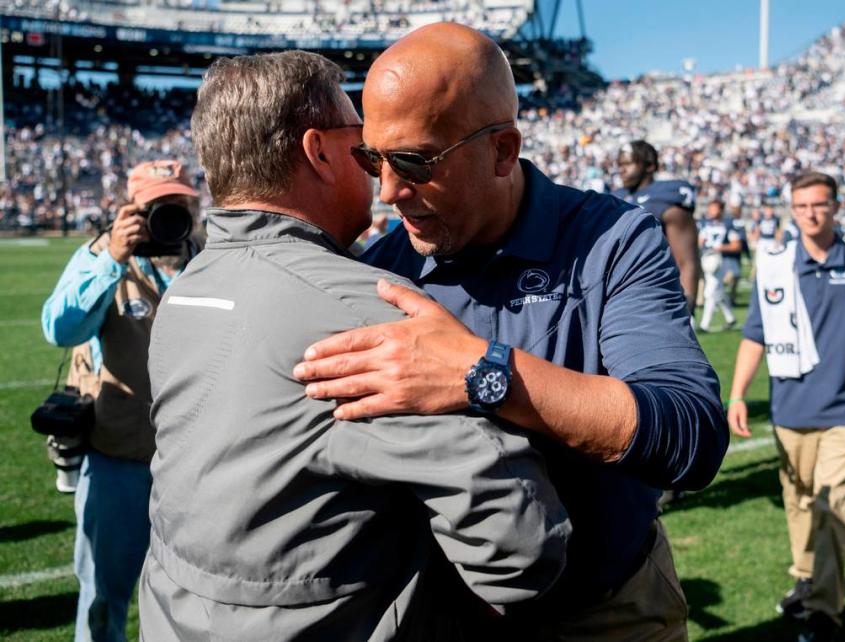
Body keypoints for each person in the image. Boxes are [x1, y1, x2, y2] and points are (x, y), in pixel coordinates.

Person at [293, 23, 728, 640]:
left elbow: (690, 433)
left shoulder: (611, 241)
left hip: (604, 609)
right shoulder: (382, 270)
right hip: (439, 615)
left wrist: (480, 372)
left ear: (502, 149)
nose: (389, 191)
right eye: (372, 159)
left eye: (415, 161)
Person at [139, 50, 570, 641]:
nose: (383, 174)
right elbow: (519, 539)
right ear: (319, 151)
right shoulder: (362, 306)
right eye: (365, 146)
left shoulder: (186, 288)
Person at [727, 171, 845, 642]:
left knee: (833, 509)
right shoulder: (775, 265)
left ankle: (825, 612)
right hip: (790, 413)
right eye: (802, 206)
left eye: (819, 205)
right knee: (801, 506)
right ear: (792, 209)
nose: (810, 213)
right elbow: (754, 336)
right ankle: (807, 580)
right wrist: (738, 394)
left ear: (836, 207)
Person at [41, 159, 202, 641]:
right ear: (129, 210)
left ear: (193, 206)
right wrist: (112, 259)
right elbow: (60, 329)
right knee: (102, 598)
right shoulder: (102, 255)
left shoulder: (210, 257)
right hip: (118, 460)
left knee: (191, 600)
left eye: (177, 205)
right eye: (156, 207)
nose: (167, 217)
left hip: (194, 465)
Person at [612, 140, 701, 312]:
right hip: (618, 296)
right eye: (620, 165)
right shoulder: (615, 198)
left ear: (650, 166)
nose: (621, 170)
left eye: (628, 164)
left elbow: (687, 261)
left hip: (656, 296)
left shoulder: (667, 199)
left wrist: (687, 306)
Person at [698, 199, 739, 332]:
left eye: (713, 208)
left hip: (720, 261)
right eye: (709, 208)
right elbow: (700, 242)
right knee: (718, 291)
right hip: (707, 259)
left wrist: (721, 247)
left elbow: (736, 245)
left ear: (720, 210)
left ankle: (704, 325)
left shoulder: (728, 225)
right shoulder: (705, 224)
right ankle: (730, 318)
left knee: (710, 292)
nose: (710, 211)